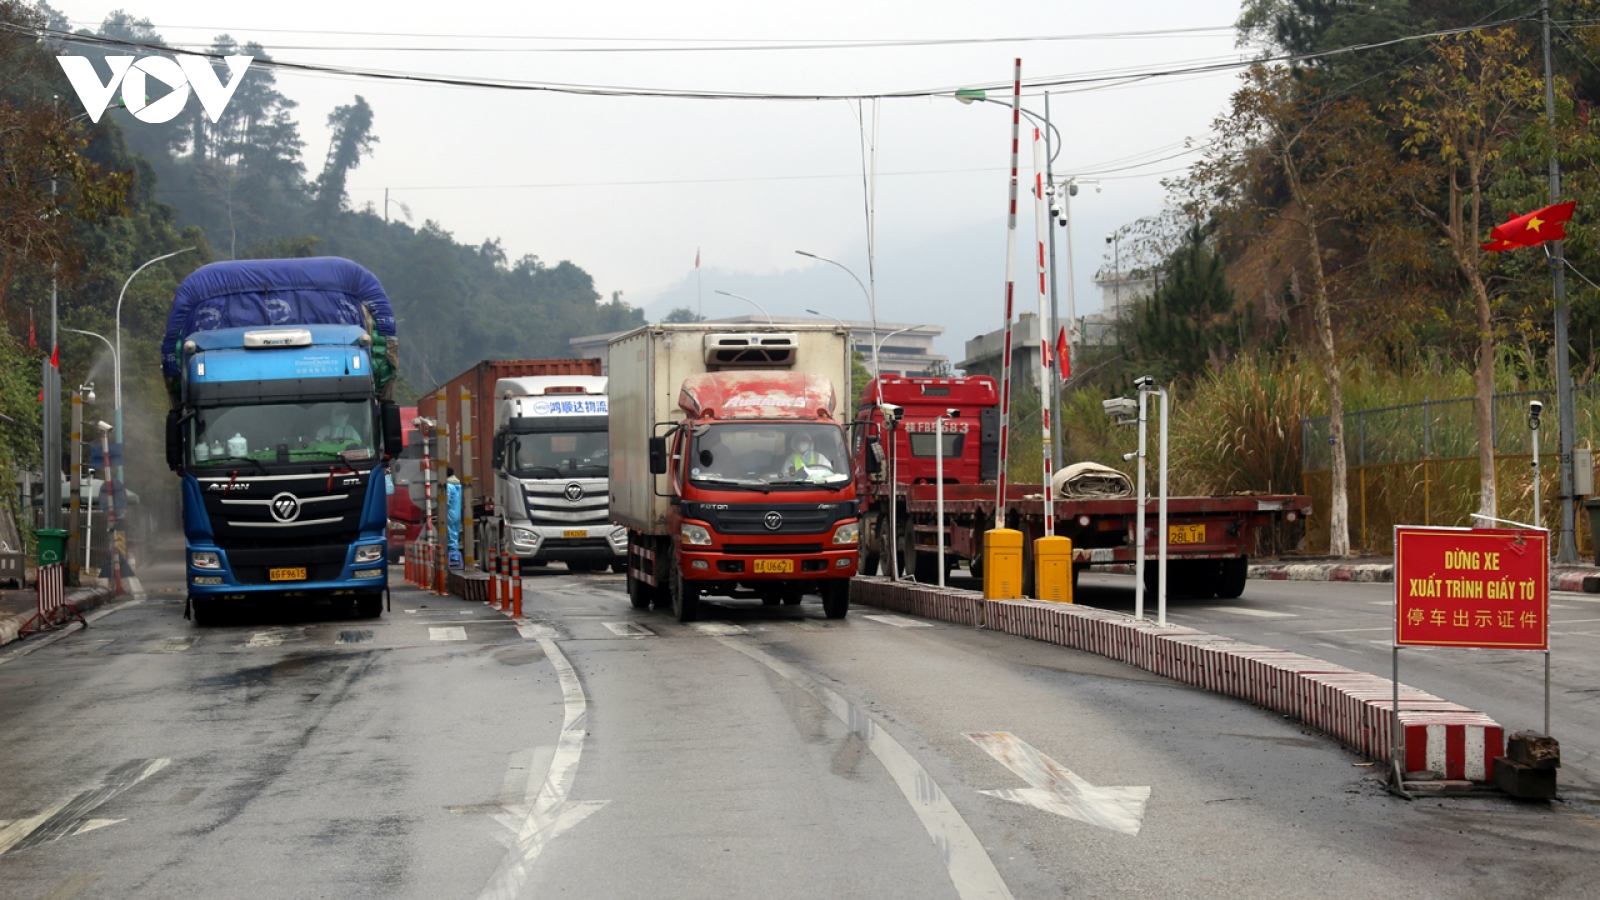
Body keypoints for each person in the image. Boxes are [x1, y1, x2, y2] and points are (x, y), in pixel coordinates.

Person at [446, 466, 463, 568]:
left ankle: (454, 558)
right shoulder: (458, 485)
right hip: (457, 513)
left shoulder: (448, 486)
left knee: (451, 535)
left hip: (450, 514)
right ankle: (455, 556)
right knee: (455, 535)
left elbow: (446, 501)